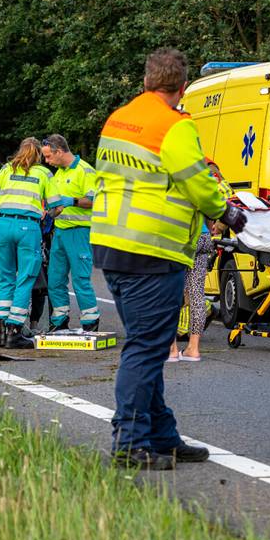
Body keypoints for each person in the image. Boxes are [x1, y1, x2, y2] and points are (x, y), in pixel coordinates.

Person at [92, 47, 247, 470]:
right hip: (152, 249)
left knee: (149, 343)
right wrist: (227, 212)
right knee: (146, 348)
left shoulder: (118, 120)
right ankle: (129, 441)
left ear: (146, 82)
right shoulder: (174, 126)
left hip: (111, 244)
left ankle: (162, 435)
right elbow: (198, 182)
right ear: (182, 88)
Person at [0, 137, 60, 349]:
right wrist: (47, 216)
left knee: (5, 278)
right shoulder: (43, 173)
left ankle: (2, 331)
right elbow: (57, 206)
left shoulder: (6, 169)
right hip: (28, 227)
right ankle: (15, 332)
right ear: (38, 154)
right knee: (26, 278)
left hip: (3, 225)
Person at [170, 161, 229, 363]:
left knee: (170, 292)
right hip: (202, 236)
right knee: (197, 294)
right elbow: (223, 198)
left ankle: (171, 349)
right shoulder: (205, 174)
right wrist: (216, 226)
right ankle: (193, 349)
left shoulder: (173, 172)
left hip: (179, 237)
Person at [41, 134, 101, 332]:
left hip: (79, 232)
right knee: (55, 279)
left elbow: (94, 200)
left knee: (80, 279)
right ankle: (59, 321)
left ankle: (90, 322)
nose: (47, 161)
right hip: (60, 232)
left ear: (59, 151)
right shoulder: (58, 173)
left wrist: (72, 201)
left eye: (48, 156)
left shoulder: (85, 171)